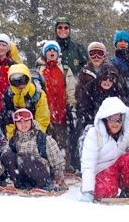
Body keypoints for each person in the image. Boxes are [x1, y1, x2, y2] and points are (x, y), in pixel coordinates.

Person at [79, 97, 129, 202]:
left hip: (117, 169)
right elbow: (88, 164)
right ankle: (96, 190)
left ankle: (127, 190)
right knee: (107, 192)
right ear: (105, 119)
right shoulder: (94, 134)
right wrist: (88, 191)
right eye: (111, 119)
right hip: (101, 171)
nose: (115, 123)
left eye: (119, 119)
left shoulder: (126, 135)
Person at [0, 108, 65, 191]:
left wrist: (59, 177)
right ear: (15, 124)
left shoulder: (43, 139)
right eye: (19, 122)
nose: (23, 125)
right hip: (21, 179)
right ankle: (22, 185)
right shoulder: (13, 141)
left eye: (26, 121)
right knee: (7, 156)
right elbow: (2, 163)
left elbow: (58, 162)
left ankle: (43, 185)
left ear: (31, 122)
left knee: (26, 159)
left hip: (41, 177)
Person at [35, 40, 77, 171]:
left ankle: (64, 165)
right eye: (49, 50)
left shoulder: (64, 69)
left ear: (58, 53)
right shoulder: (39, 70)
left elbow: (70, 89)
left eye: (54, 50)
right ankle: (47, 165)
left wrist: (71, 104)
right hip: (45, 111)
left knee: (63, 141)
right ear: (44, 53)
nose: (51, 52)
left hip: (61, 111)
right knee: (46, 141)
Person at [3, 63, 50, 139]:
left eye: (22, 80)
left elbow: (43, 119)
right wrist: (12, 139)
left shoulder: (38, 94)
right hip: (18, 132)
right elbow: (9, 122)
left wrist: (37, 138)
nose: (19, 85)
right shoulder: (9, 96)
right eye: (15, 81)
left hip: (35, 131)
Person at [77, 62, 129, 129]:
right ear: (99, 78)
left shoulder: (117, 89)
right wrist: (90, 124)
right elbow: (84, 109)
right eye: (104, 78)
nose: (107, 82)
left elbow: (123, 109)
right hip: (93, 122)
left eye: (111, 79)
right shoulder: (90, 88)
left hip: (114, 124)